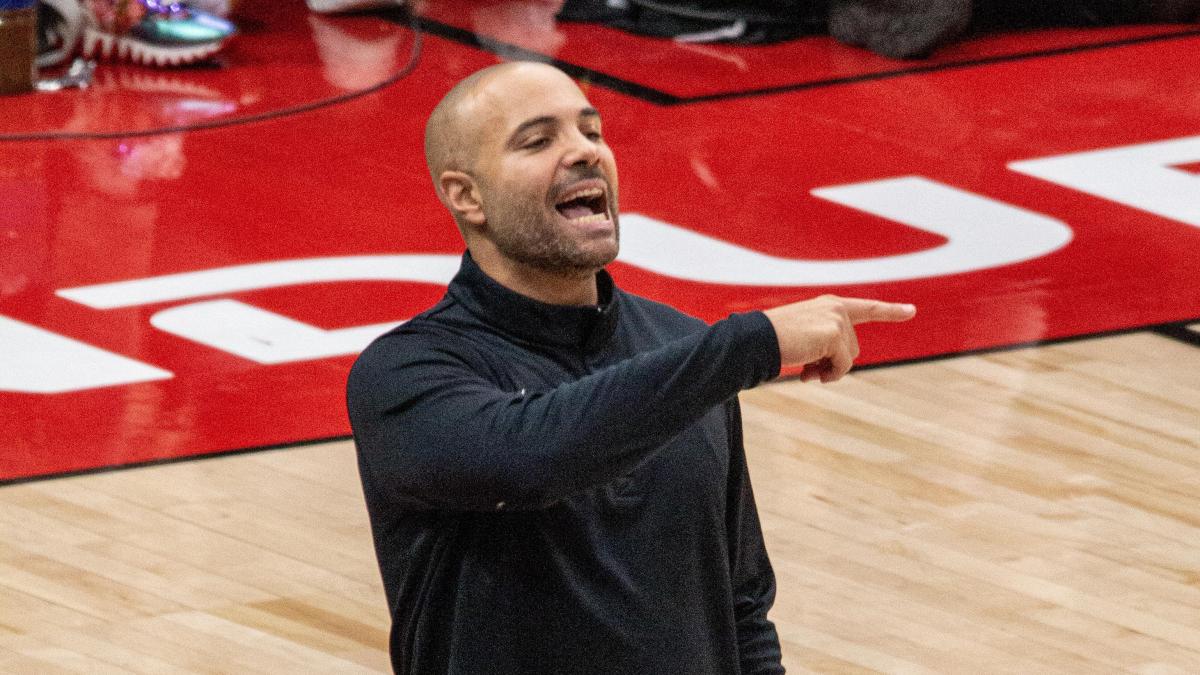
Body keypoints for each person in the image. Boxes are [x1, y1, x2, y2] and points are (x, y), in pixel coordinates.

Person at [346, 61, 916, 674]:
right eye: (538, 141)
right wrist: (749, 345)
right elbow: (526, 460)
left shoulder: (681, 348)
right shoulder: (404, 375)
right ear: (467, 195)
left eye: (591, 132)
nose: (583, 153)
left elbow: (740, 599)